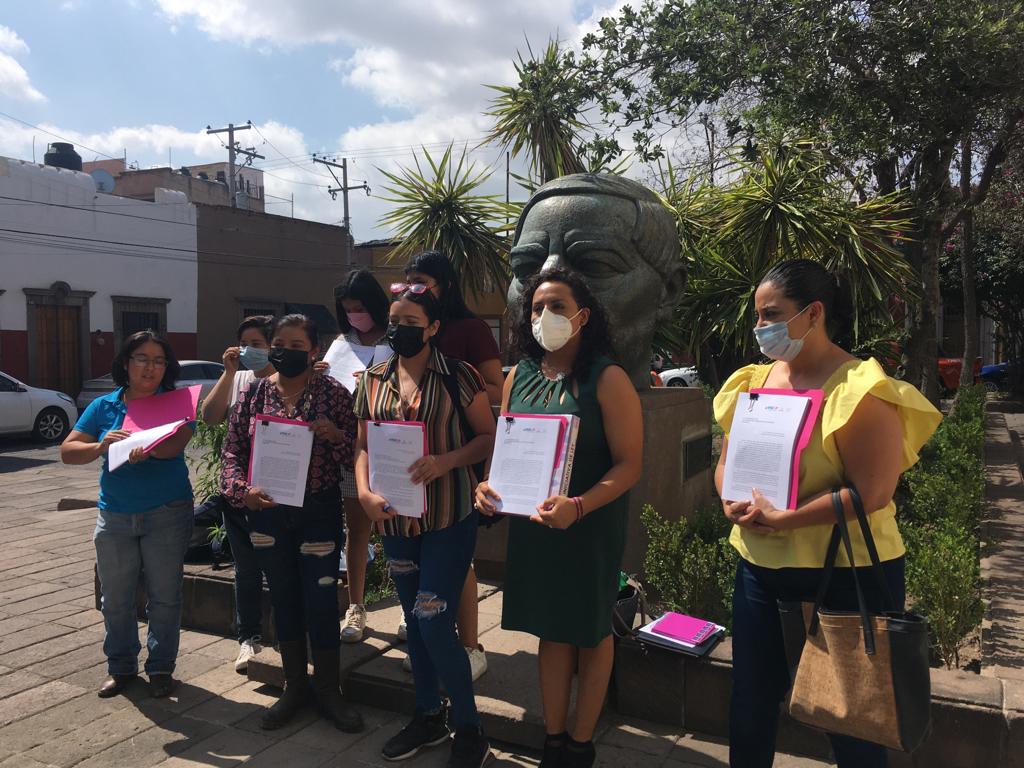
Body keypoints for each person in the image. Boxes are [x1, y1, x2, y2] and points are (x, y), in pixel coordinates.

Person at [712, 259, 942, 768]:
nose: (760, 328)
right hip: (760, 569)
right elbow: (728, 460)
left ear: (813, 313)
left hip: (847, 573)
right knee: (749, 703)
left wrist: (786, 519)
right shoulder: (753, 381)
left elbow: (872, 493)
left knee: (854, 718)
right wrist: (728, 497)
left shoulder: (859, 389)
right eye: (757, 316)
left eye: (771, 315)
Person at [475, 268, 643, 768]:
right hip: (534, 529)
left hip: (588, 527)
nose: (543, 317)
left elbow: (630, 464)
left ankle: (580, 743)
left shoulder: (607, 378)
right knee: (551, 630)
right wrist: (488, 487)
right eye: (535, 308)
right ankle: (553, 739)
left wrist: (580, 506)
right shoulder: (518, 376)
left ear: (582, 316)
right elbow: (506, 449)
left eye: (556, 307)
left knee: (590, 632)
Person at [354, 286, 496, 767]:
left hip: (448, 517)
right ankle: (427, 714)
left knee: (434, 618)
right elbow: (362, 446)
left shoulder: (459, 376)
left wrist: (446, 461)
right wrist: (364, 493)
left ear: (433, 327)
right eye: (394, 319)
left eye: (411, 320)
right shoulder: (372, 380)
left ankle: (471, 727)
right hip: (395, 519)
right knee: (414, 621)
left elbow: (486, 437)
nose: (399, 329)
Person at [220, 314, 364, 734]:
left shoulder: (334, 394)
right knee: (283, 597)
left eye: (297, 345)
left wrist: (336, 436)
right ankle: (295, 686)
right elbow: (232, 450)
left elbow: (358, 452)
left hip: (317, 512)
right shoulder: (255, 392)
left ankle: (329, 691)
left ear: (314, 351)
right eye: (278, 343)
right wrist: (240, 490)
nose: (285, 350)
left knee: (320, 600)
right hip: (266, 512)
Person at [61, 330, 195, 699]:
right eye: (142, 359)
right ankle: (120, 668)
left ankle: (161, 668)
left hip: (167, 511)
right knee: (115, 598)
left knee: (165, 596)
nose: (150, 367)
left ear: (167, 367)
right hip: (116, 515)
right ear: (125, 363)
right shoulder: (103, 406)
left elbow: (174, 447)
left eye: (158, 360)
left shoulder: (177, 402)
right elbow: (68, 450)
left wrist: (146, 447)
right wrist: (100, 445)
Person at [402, 250, 501, 682]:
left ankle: (470, 645)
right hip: (411, 464)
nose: (413, 291)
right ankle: (431, 636)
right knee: (420, 552)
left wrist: (452, 385)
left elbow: (496, 386)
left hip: (460, 456)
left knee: (459, 557)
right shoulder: (403, 331)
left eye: (422, 283)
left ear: (445, 284)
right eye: (407, 284)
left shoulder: (471, 329)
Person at [507, 173, 686, 389]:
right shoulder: (516, 384)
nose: (548, 287)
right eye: (526, 267)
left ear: (668, 291)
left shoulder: (612, 385)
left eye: (594, 264)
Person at [199, 314, 275, 673]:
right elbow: (210, 417)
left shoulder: (288, 379)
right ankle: (249, 638)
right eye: (246, 344)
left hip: (279, 492)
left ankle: (287, 634)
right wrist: (228, 373)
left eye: (258, 344)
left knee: (282, 569)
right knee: (246, 570)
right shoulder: (240, 378)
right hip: (239, 491)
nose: (251, 351)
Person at [330, 270, 390, 645]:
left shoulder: (394, 339)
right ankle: (356, 607)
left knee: (400, 528)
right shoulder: (341, 341)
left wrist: (375, 379)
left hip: (389, 442)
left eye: (360, 308)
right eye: (348, 310)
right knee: (357, 529)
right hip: (352, 444)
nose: (354, 316)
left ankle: (409, 607)